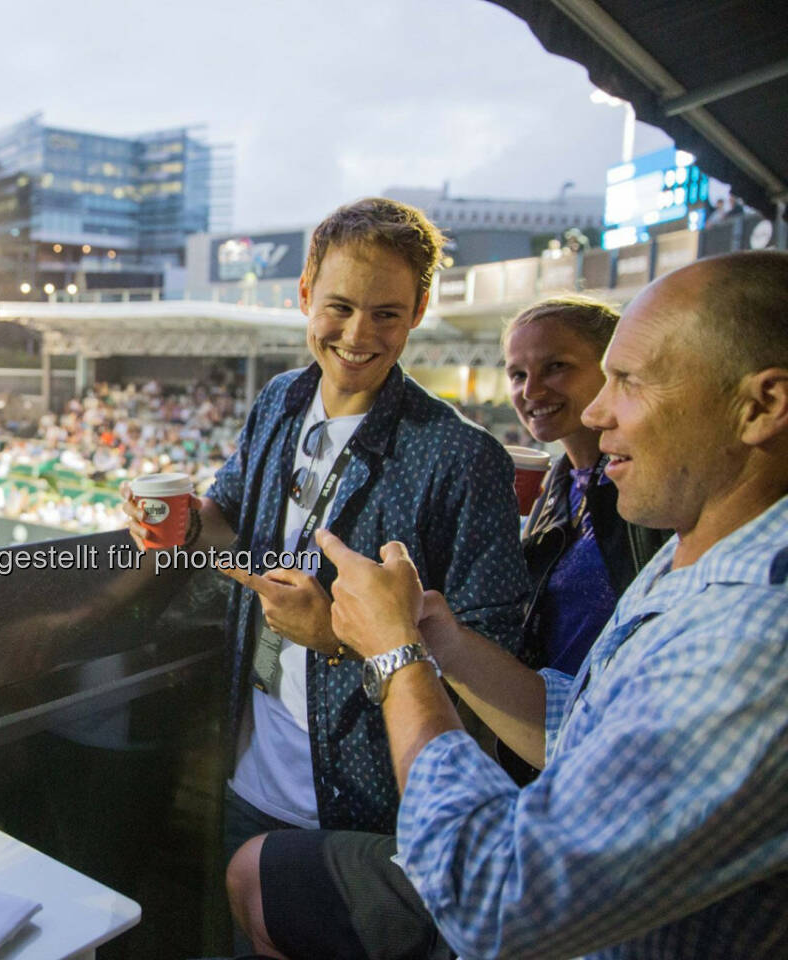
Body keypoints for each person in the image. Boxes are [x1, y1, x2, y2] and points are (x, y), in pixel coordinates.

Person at [258, 250, 788, 960]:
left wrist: (395, 656)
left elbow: (490, 901)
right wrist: (438, 638)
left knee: (260, 874)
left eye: (626, 381)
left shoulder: (753, 640)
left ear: (761, 407)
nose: (598, 410)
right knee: (258, 873)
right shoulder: (698, 546)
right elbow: (581, 726)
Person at [123, 197, 529, 953]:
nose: (358, 335)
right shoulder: (279, 399)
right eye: (340, 306)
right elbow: (228, 518)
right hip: (251, 771)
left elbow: (488, 667)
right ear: (304, 292)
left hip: (367, 805)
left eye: (386, 313)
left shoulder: (463, 459)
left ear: (419, 312)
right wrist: (179, 523)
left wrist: (338, 639)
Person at [505, 296, 672, 677]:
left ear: (613, 369)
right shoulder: (556, 488)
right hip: (546, 721)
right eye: (517, 374)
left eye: (556, 367)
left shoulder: (652, 489)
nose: (531, 391)